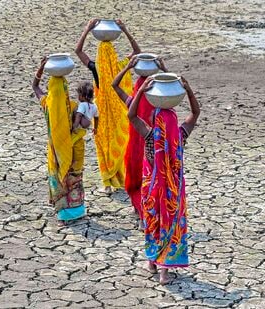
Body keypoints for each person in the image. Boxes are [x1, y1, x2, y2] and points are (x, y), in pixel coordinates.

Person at [127, 76, 200, 284]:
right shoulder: (180, 136)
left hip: (151, 191)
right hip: (172, 192)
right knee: (170, 225)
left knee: (153, 224)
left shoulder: (150, 136)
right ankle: (164, 272)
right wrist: (187, 89)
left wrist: (141, 90)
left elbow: (131, 115)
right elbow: (195, 113)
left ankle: (152, 262)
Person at [75, 18, 141, 194]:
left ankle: (107, 182)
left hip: (101, 114)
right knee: (121, 143)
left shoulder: (96, 68)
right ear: (113, 54)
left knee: (104, 146)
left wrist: (87, 29)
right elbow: (137, 52)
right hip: (119, 112)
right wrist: (125, 30)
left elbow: (78, 51)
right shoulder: (121, 67)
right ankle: (121, 177)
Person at [112, 55, 169, 224]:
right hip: (154, 149)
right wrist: (164, 70)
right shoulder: (159, 108)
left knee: (136, 180)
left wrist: (128, 67)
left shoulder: (132, 105)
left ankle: (138, 209)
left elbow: (114, 85)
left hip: (136, 149)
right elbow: (173, 92)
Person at [33, 57, 87, 226]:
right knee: (74, 179)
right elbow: (86, 124)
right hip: (73, 150)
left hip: (55, 152)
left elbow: (35, 86)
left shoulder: (47, 104)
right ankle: (77, 211)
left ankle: (63, 216)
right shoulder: (72, 105)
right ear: (65, 90)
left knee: (59, 181)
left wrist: (41, 68)